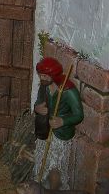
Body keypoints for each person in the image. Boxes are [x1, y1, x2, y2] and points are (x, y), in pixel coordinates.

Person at [33, 57, 83, 189]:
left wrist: (62, 121)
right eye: (40, 75)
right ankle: (40, 186)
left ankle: (54, 189)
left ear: (53, 75)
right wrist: (37, 108)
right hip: (45, 130)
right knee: (41, 161)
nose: (42, 78)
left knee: (55, 167)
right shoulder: (44, 86)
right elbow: (38, 102)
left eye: (45, 75)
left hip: (60, 135)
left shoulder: (68, 91)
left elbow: (79, 115)